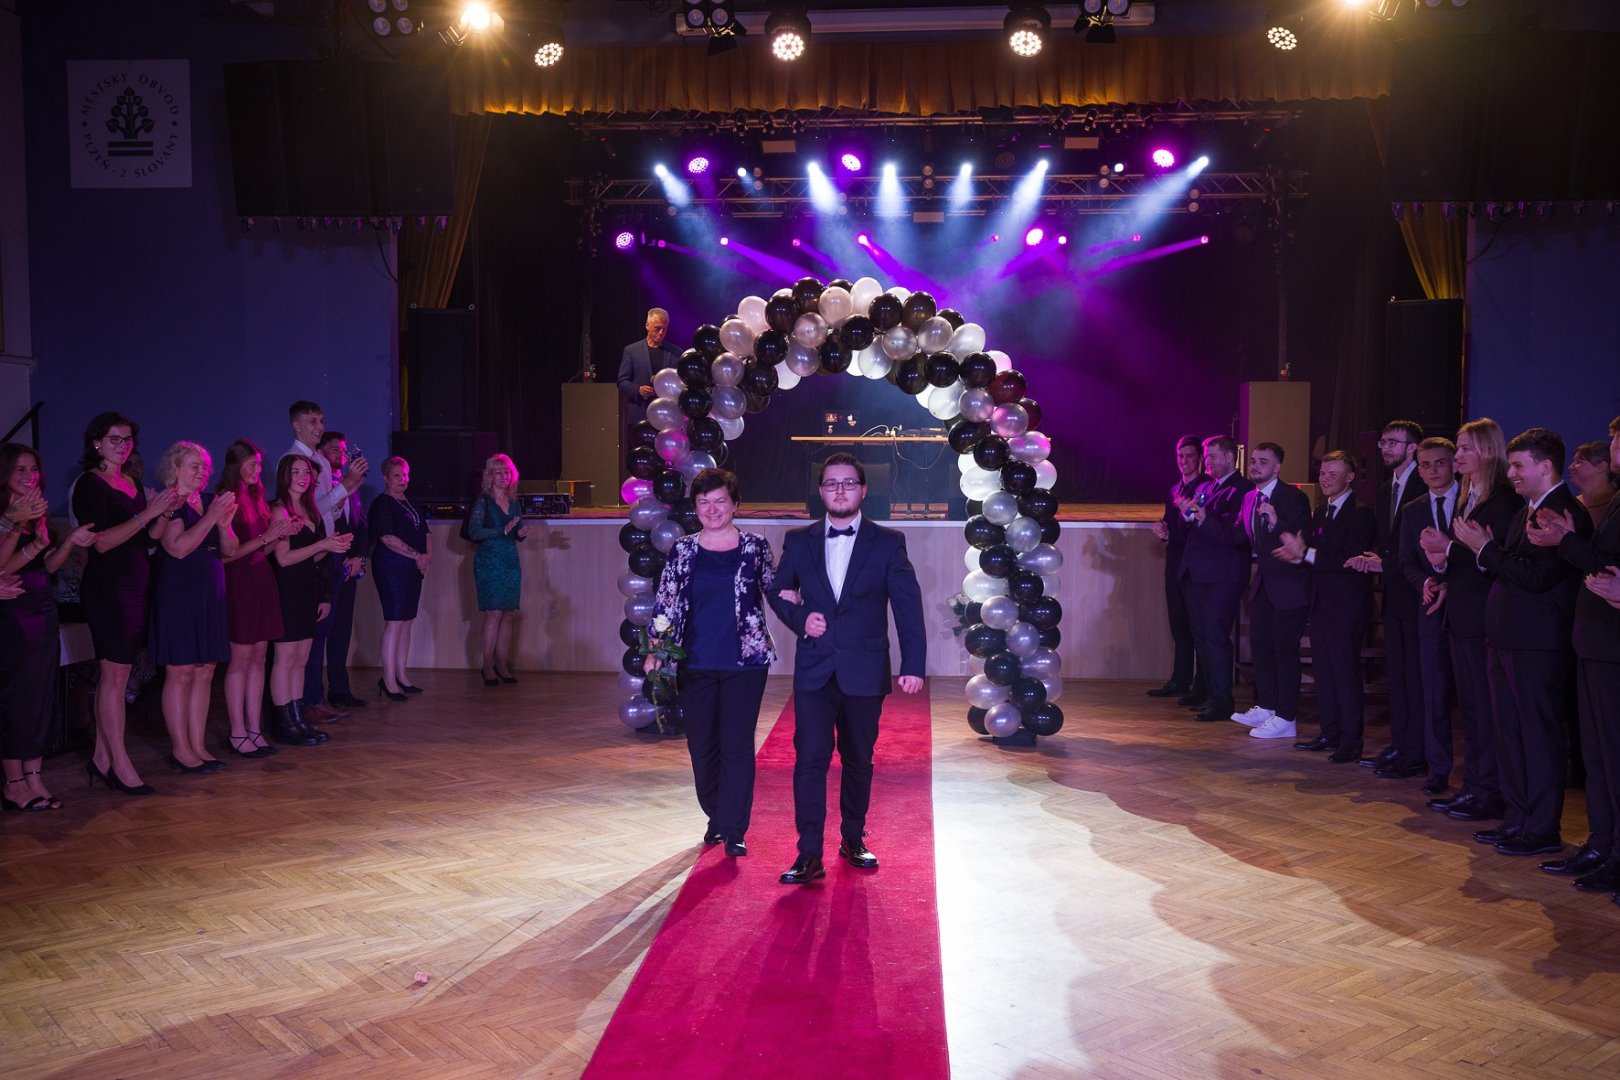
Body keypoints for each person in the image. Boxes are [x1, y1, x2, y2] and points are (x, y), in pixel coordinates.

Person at [768, 453, 925, 885]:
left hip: (865, 670)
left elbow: (908, 606)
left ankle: (853, 838)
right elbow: (777, 591)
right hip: (815, 671)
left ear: (863, 490)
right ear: (821, 492)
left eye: (848, 483)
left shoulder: (888, 541)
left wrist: (913, 663)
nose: (840, 490)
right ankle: (808, 853)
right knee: (809, 761)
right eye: (832, 484)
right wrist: (801, 618)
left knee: (858, 760)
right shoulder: (798, 540)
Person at [1453, 428, 1592, 857]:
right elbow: (1511, 567)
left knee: (1538, 736)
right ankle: (1517, 819)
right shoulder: (1525, 510)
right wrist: (1488, 553)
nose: (1510, 472)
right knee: (1510, 734)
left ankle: (1541, 828)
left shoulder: (1563, 513)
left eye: (1518, 466)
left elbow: (1538, 577)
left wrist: (1484, 548)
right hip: (1506, 638)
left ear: (1545, 467)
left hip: (1538, 644)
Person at [646, 468, 778, 857]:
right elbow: (664, 604)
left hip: (746, 663)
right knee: (702, 746)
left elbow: (778, 592)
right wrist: (656, 649)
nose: (712, 509)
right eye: (704, 502)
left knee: (737, 745)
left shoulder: (755, 547)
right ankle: (716, 816)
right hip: (694, 663)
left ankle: (734, 828)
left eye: (720, 501)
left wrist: (808, 614)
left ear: (735, 504)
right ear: (695, 507)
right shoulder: (683, 550)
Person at [1526, 416, 1620, 888]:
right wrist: (1568, 542)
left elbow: (1607, 566)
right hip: (1594, 640)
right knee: (1598, 757)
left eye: (1617, 441)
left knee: (1614, 756)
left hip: (1612, 643)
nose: (1612, 447)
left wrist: (1565, 541)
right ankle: (1602, 844)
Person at [73, 412, 182, 796]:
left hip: (137, 583)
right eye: (115, 439)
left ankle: (102, 759)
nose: (123, 446)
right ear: (97, 443)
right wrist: (148, 512)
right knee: (114, 676)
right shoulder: (89, 484)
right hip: (109, 588)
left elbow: (148, 538)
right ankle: (119, 763)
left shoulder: (131, 482)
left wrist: (165, 511)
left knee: (116, 678)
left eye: (128, 439)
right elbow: (102, 542)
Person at [1419, 418, 1519, 823]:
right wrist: (1441, 570)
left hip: (1484, 620)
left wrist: (1448, 549)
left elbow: (1494, 561)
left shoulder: (1502, 501)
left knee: (1486, 711)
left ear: (1488, 451)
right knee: (1472, 712)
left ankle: (1489, 792)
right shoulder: (1468, 496)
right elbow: (1466, 558)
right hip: (1461, 616)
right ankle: (1474, 786)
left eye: (1463, 448)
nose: (1456, 455)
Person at [1, 444, 95, 811]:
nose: (29, 476)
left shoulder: (35, 509)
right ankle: (13, 783)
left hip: (42, 606)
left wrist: (65, 541)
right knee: (17, 697)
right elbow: (2, 568)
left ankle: (35, 777)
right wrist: (15, 523)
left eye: (34, 469)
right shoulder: (7, 513)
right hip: (13, 611)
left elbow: (46, 566)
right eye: (20, 469)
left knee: (42, 695)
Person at [1276, 451, 1377, 762]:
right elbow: (1313, 555)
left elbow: (1347, 560)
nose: (1325, 479)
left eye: (1333, 473)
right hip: (1321, 603)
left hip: (1347, 606)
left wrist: (1304, 554)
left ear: (1350, 477)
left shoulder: (1361, 513)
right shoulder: (1321, 511)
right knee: (1324, 671)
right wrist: (1297, 555)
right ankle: (1329, 732)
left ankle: (1351, 740)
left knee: (1344, 672)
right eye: (1322, 473)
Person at [146, 442, 238, 772]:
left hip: (210, 594)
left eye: (204, 466)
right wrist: (211, 518)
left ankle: (198, 746)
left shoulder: (211, 501)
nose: (201, 471)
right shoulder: (170, 503)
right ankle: (180, 749)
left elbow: (230, 549)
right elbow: (178, 548)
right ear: (175, 468)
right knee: (181, 671)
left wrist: (223, 524)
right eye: (193, 465)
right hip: (180, 595)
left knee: (205, 670)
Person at [1351, 420, 1427, 773]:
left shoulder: (1424, 484)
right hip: (1394, 593)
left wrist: (1388, 563)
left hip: (1419, 591)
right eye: (1382, 441)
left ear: (1413, 447)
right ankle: (1400, 746)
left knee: (1416, 678)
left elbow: (1421, 544)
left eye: (1393, 442)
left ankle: (1416, 752)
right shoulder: (1385, 489)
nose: (1384, 448)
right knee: (1398, 676)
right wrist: (1377, 560)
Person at [267, 455, 352, 746]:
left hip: (307, 588)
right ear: (284, 476)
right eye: (296, 472)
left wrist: (332, 547)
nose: (303, 477)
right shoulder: (279, 510)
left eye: (306, 472)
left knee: (301, 658)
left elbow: (310, 558)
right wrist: (322, 545)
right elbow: (283, 558)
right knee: (285, 658)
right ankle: (284, 722)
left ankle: (297, 717)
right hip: (287, 590)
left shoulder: (310, 509)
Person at [218, 440, 292, 759]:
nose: (258, 470)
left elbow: (263, 547)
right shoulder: (226, 499)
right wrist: (267, 537)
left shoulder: (256, 497)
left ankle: (254, 729)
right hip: (239, 582)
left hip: (262, 578)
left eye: (259, 464)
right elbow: (227, 555)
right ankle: (237, 731)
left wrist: (281, 534)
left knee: (260, 657)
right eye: (252, 464)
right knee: (241, 658)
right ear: (236, 465)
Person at [1234, 442, 1312, 740]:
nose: (1255, 465)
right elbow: (1242, 537)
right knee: (1260, 646)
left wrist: (1278, 521)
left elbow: (1303, 538)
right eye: (1253, 460)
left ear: (1277, 468)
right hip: (1264, 584)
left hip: (1291, 586)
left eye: (1262, 461)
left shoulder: (1293, 497)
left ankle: (1286, 717)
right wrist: (1199, 520)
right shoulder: (1249, 497)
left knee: (1284, 650)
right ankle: (1267, 707)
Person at [1394, 437, 1459, 794]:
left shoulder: (1469, 501)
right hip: (1430, 607)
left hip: (1468, 607)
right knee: (1433, 691)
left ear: (1454, 464)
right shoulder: (1413, 509)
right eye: (1425, 465)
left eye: (1440, 463)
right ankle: (1438, 768)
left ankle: (1482, 776)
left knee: (1472, 696)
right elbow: (1405, 560)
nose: (1432, 470)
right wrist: (1425, 581)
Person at [1175, 435, 1254, 723]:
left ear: (1230, 457)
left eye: (1212, 457)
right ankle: (1209, 694)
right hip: (1197, 572)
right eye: (1206, 457)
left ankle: (1222, 701)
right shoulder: (1207, 486)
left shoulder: (1243, 489)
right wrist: (1187, 514)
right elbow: (1196, 523)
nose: (1207, 462)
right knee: (1203, 636)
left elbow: (1237, 534)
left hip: (1223, 574)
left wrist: (1203, 517)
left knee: (1217, 636)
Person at [304, 431, 369, 714]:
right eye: (334, 450)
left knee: (342, 631)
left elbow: (361, 527)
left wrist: (359, 558)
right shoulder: (320, 486)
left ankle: (340, 690)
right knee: (321, 632)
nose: (341, 455)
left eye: (343, 450)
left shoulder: (353, 487)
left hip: (348, 567)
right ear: (320, 453)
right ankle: (313, 697)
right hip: (325, 565)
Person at [1147, 435, 1208, 701]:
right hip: (1174, 565)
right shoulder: (1175, 488)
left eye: (1190, 456)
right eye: (1180, 456)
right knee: (1179, 627)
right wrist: (1164, 530)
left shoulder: (1206, 487)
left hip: (1194, 568)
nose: (1184, 461)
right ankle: (1179, 680)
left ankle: (1202, 686)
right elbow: (1172, 525)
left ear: (1200, 459)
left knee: (1198, 628)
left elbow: (1200, 528)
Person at [369, 456, 430, 700]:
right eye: (397, 475)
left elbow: (426, 533)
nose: (402, 479)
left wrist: (426, 557)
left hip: (412, 567)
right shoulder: (382, 504)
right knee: (394, 621)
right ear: (385, 478)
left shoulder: (411, 503)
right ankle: (388, 680)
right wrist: (417, 556)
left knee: (406, 621)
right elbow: (387, 538)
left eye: (405, 474)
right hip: (391, 566)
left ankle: (401, 676)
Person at [468, 453, 528, 686]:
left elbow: (515, 531)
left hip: (510, 561)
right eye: (499, 472)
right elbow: (474, 532)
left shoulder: (514, 502)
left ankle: (502, 664)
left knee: (508, 613)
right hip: (489, 561)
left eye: (507, 472)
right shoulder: (483, 501)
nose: (504, 476)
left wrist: (520, 533)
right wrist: (500, 530)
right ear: (490, 476)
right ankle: (487, 665)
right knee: (493, 613)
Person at [279, 400, 369, 535]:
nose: (320, 427)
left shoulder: (323, 462)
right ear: (297, 426)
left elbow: (328, 515)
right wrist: (345, 484)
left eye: (322, 421)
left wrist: (345, 493)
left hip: (326, 542)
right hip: (305, 542)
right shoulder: (289, 460)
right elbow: (304, 512)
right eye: (313, 422)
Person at [616, 308, 678, 425]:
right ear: (647, 325)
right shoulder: (632, 351)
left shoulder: (675, 352)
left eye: (664, 329)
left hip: (667, 416)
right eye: (657, 328)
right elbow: (621, 382)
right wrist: (638, 390)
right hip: (639, 415)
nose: (661, 333)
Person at [1570, 438, 1617, 516]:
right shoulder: (1571, 506)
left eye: (1578, 462)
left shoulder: (1616, 505)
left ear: (1601, 467)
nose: (1570, 467)